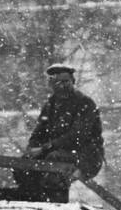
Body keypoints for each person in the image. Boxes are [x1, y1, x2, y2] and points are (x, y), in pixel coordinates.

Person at [21, 63, 104, 202]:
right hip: (59, 153)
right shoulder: (50, 105)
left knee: (54, 162)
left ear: (73, 82)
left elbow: (77, 135)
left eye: (66, 81)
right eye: (57, 82)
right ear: (51, 84)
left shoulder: (84, 103)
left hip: (86, 156)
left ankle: (56, 206)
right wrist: (31, 148)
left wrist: (44, 148)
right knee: (24, 165)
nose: (62, 86)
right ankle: (33, 202)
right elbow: (39, 132)